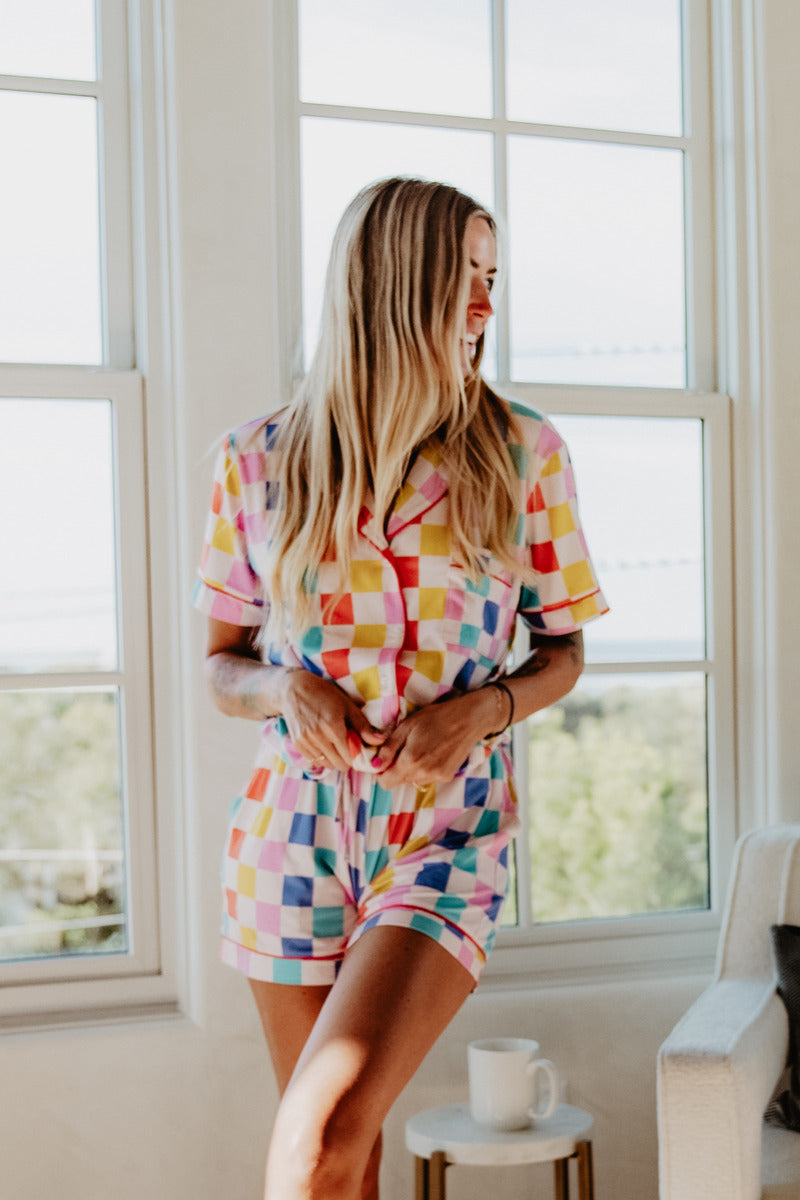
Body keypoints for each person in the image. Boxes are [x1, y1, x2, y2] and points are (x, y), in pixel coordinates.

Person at [192, 176, 608, 1200]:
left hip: (443, 838)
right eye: (462, 278)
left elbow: (562, 651)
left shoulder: (521, 455)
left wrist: (486, 707)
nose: (484, 306)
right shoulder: (256, 463)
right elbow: (221, 664)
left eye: (490, 278)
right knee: (345, 1167)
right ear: (388, 286)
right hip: (289, 841)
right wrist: (284, 689)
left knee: (312, 1145)